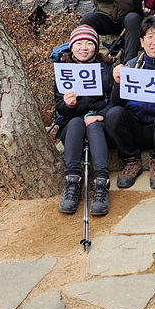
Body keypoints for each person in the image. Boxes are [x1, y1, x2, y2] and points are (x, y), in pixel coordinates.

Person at [105, 15, 155, 189]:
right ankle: (131, 160)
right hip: (136, 127)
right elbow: (117, 103)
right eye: (150, 37)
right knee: (113, 114)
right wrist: (117, 83)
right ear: (142, 42)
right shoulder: (131, 65)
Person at [55, 25, 113, 216]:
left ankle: (101, 183)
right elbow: (59, 107)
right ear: (71, 47)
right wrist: (68, 104)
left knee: (94, 126)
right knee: (76, 123)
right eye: (79, 43)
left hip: (99, 121)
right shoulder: (64, 70)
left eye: (89, 43)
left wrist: (100, 114)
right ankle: (72, 180)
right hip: (71, 124)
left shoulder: (106, 67)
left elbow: (114, 100)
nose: (84, 47)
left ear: (96, 46)